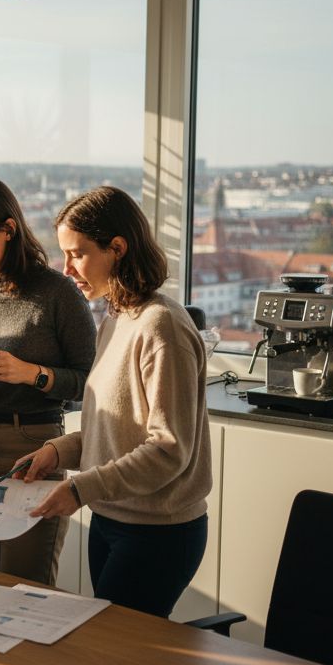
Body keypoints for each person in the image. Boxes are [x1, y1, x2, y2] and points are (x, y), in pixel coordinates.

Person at [20, 186, 211, 618]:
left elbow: (168, 450)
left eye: (78, 254)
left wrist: (80, 486)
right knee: (106, 657)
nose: (66, 268)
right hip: (110, 520)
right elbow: (119, 426)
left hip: (159, 533)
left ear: (117, 248)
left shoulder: (161, 328)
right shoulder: (117, 317)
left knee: (113, 659)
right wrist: (60, 451)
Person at [0, 177, 96, 585]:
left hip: (33, 445)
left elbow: (90, 384)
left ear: (8, 229)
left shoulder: (57, 292)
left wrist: (32, 374)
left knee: (26, 582)